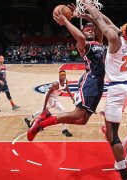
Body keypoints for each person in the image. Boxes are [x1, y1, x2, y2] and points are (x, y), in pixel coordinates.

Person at [27, 10, 105, 142]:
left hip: (99, 83)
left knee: (83, 120)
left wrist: (83, 15)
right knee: (77, 114)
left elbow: (98, 23)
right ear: (82, 33)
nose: (90, 31)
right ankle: (40, 124)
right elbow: (80, 37)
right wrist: (66, 21)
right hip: (90, 80)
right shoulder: (83, 45)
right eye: (87, 30)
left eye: (91, 30)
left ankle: (46, 118)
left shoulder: (99, 42)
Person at [85, 4, 127, 180]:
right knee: (110, 129)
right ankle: (109, 121)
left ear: (122, 32)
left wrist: (87, 4)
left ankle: (123, 171)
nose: (119, 26)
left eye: (121, 27)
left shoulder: (115, 40)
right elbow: (108, 22)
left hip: (118, 90)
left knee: (112, 135)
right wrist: (94, 13)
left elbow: (101, 22)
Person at [24, 70, 75, 137]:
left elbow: (67, 88)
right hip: (49, 97)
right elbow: (48, 94)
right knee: (62, 110)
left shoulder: (66, 81)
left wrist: (72, 97)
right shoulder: (56, 84)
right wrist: (44, 105)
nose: (63, 76)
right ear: (59, 76)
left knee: (44, 111)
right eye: (61, 75)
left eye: (64, 75)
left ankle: (28, 119)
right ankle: (64, 130)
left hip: (54, 97)